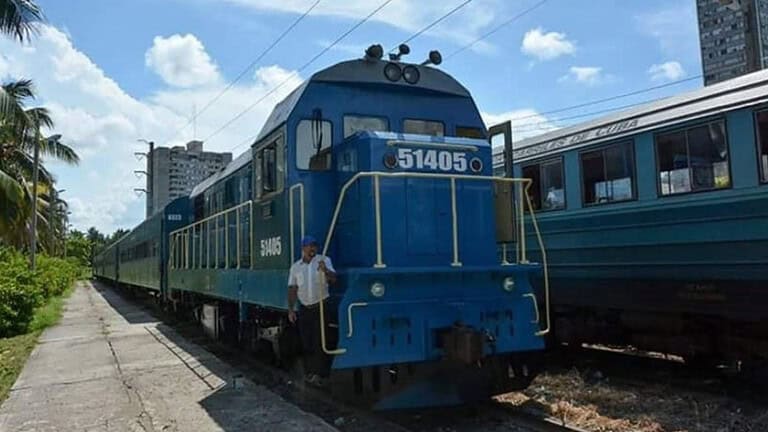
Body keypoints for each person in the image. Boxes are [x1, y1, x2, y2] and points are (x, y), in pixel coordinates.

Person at [287, 235, 337, 386]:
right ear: (303, 248)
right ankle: (310, 373)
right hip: (305, 309)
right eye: (309, 246)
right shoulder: (296, 267)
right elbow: (292, 288)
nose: (312, 249)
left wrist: (325, 270)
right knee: (307, 342)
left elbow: (334, 280)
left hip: (321, 306)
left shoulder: (324, 261)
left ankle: (321, 375)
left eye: (314, 245)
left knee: (320, 341)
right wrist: (291, 309)